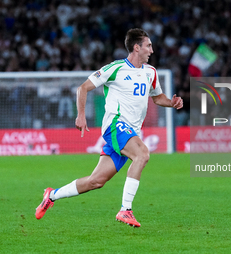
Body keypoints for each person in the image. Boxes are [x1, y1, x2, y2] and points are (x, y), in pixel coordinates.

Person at [35, 28, 183, 227]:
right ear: (136, 47)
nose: (152, 50)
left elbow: (157, 98)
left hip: (131, 131)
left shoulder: (151, 72)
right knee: (142, 155)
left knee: (96, 181)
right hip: (115, 124)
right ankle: (126, 210)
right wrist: (81, 115)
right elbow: (83, 87)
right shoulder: (115, 68)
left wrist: (171, 103)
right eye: (148, 46)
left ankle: (51, 195)